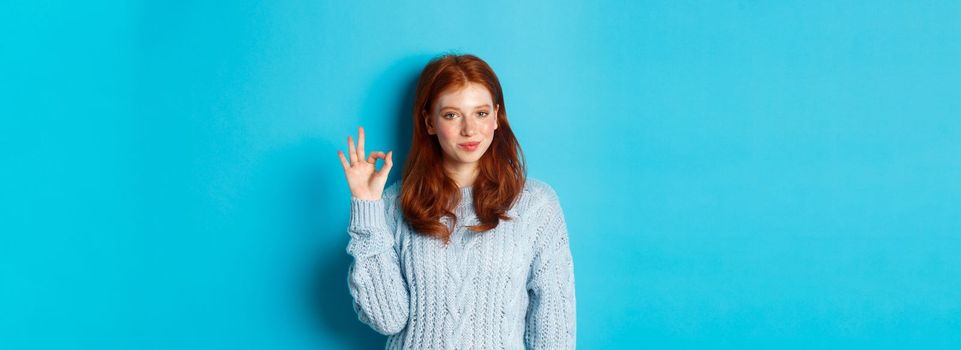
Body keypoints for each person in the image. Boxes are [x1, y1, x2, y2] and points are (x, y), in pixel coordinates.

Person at [336, 53, 576, 349]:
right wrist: (366, 206)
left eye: (481, 113)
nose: (469, 129)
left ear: (497, 116)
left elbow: (554, 327)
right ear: (429, 122)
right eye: (451, 114)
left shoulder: (537, 205)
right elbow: (387, 319)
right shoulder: (392, 204)